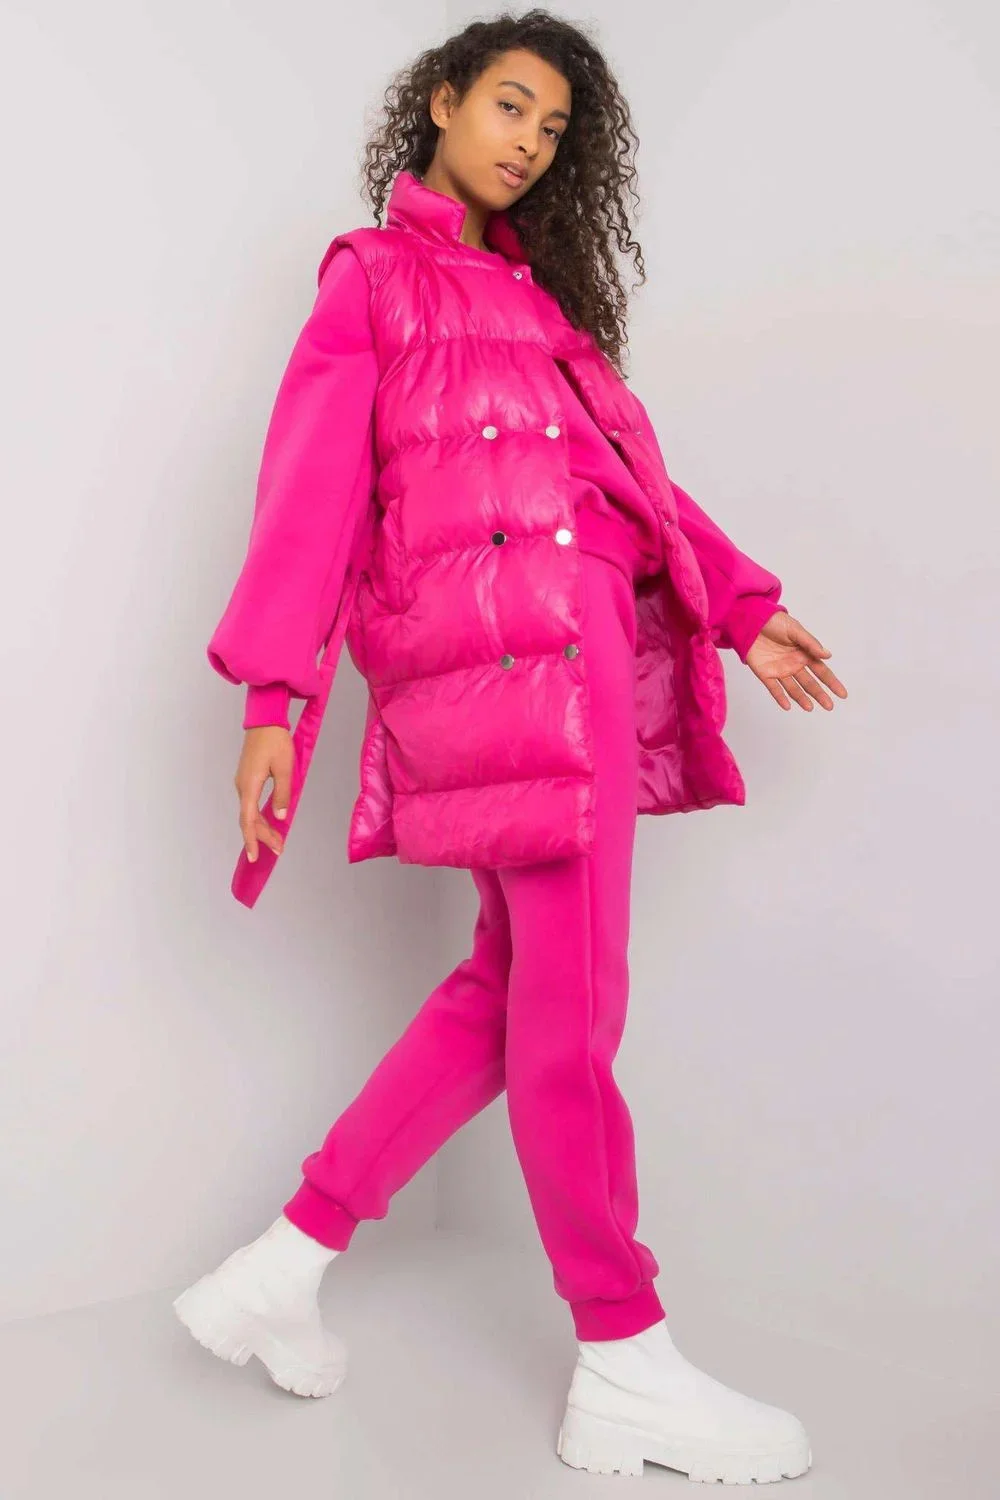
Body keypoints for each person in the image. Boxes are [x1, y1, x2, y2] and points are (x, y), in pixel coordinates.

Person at [174, 10, 846, 1483]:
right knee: (572, 1005)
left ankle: (283, 1263)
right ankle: (624, 1352)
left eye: (553, 128)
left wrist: (743, 606)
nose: (530, 142)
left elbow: (630, 484)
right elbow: (308, 500)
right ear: (441, 100)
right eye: (511, 107)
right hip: (514, 670)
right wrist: (272, 703)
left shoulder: (531, 298)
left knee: (514, 989)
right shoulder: (374, 276)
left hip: (566, 646)